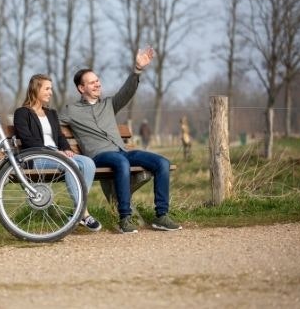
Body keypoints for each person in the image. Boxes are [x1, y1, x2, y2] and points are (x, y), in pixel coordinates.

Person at [60, 47, 181, 233]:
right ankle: (125, 218)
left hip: (122, 151)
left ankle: (161, 216)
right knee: (121, 162)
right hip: (98, 156)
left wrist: (137, 70)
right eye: (92, 83)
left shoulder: (109, 104)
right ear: (81, 88)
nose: (97, 85)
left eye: (97, 81)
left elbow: (127, 91)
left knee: (162, 163)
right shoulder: (71, 111)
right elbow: (51, 125)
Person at [13, 74, 102, 231]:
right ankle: (84, 214)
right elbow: (27, 140)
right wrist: (54, 154)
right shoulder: (22, 113)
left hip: (57, 154)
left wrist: (66, 149)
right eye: (47, 88)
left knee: (89, 163)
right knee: (71, 165)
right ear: (36, 89)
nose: (51, 92)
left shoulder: (51, 113)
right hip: (36, 156)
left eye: (51, 89)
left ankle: (77, 212)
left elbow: (59, 137)